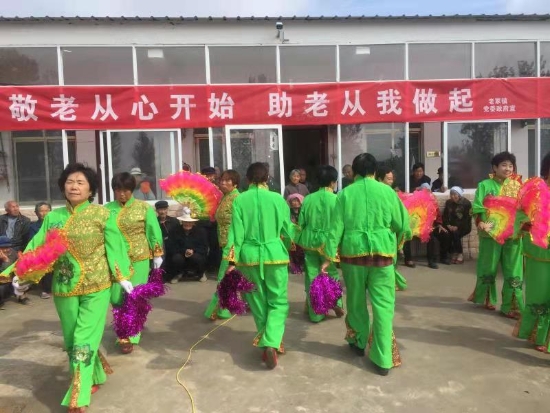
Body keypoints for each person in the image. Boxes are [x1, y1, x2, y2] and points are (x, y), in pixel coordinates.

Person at [0, 163, 133, 412]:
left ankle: (78, 395)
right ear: (63, 186)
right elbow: (36, 247)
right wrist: (19, 273)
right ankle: (95, 374)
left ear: (91, 189)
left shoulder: (102, 214)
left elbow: (115, 246)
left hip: (97, 286)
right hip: (64, 287)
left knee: (83, 339)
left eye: (80, 182)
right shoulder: (53, 217)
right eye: (70, 182)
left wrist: (122, 276)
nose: (74, 186)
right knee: (72, 340)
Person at [322, 153, 411, 376]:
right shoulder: (387, 192)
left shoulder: (345, 194)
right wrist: (396, 242)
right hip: (383, 255)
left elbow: (335, 228)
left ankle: (358, 342)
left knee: (356, 301)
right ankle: (383, 358)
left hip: (353, 255)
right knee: (384, 307)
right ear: (374, 171)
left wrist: (329, 256)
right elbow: (402, 225)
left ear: (354, 171)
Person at [223, 162, 294, 369]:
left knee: (256, 301)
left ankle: (267, 341)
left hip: (249, 257)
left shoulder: (240, 200)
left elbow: (235, 234)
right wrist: (290, 246)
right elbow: (287, 230)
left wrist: (231, 260)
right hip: (275, 255)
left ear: (247, 179)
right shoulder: (277, 199)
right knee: (278, 301)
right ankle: (272, 340)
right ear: (267, 178)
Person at [106, 172, 164, 354]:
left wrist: (157, 254)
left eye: (126, 190)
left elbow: (153, 231)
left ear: (132, 190)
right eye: (118, 190)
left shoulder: (143, 208)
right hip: (116, 259)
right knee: (116, 296)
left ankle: (129, 335)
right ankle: (123, 326)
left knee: (135, 295)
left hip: (139, 257)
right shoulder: (106, 210)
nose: (122, 194)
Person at [468, 151, 523, 319]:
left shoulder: (518, 186)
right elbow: (477, 207)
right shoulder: (485, 185)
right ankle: (487, 298)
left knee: (514, 271)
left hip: (513, 235)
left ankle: (511, 306)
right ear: (495, 167)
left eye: (511, 166)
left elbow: (524, 208)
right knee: (489, 268)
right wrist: (481, 222)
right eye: (504, 165)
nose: (508, 169)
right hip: (490, 234)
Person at [296, 165, 344, 322]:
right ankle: (336, 302)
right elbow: (340, 224)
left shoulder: (308, 199)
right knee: (332, 273)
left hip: (310, 240)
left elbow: (301, 223)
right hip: (329, 241)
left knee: (312, 275)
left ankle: (316, 313)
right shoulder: (337, 199)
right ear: (332, 182)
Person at [513, 152, 550, 354]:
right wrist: (533, 226)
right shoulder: (534, 191)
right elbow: (520, 215)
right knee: (538, 295)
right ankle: (537, 334)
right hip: (539, 254)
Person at [204, 169, 240, 320]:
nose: (223, 183)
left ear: (235, 183)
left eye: (227, 180)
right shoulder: (224, 197)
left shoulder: (237, 198)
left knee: (223, 276)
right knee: (231, 277)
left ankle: (218, 309)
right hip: (224, 242)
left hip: (233, 244)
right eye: (222, 180)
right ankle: (227, 306)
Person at [403, 183, 448, 269]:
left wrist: (439, 224)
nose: (427, 193)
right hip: (414, 227)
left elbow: (437, 214)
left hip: (426, 227)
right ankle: (408, 259)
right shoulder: (414, 201)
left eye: (428, 191)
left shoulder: (432, 202)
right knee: (406, 235)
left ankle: (431, 261)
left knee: (431, 237)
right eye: (425, 191)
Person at [376, 167, 407, 291]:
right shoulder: (389, 193)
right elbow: (398, 219)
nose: (391, 181)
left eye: (392, 179)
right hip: (386, 232)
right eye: (388, 179)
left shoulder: (389, 192)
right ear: (380, 178)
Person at [170, 208, 209, 283]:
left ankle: (201, 274)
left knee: (197, 258)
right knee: (176, 258)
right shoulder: (175, 231)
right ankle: (178, 274)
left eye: (190, 222)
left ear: (193, 222)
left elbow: (204, 247)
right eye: (185, 222)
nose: (187, 224)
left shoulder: (201, 231)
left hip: (196, 253)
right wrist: (184, 251)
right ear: (182, 221)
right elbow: (172, 246)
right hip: (181, 253)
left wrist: (193, 251)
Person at [441, 187, 472, 264]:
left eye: (455, 194)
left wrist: (457, 226)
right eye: (451, 194)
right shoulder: (448, 202)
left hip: (464, 226)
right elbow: (445, 216)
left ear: (459, 195)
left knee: (455, 233)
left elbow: (467, 219)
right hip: (451, 226)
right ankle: (453, 252)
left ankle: (459, 254)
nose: (452, 196)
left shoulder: (466, 203)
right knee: (445, 233)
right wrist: (448, 225)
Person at [199, 166, 221, 271]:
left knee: (215, 244)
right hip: (202, 221)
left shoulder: (218, 188)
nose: (210, 178)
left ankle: (213, 265)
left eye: (212, 175)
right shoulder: (198, 189)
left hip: (215, 221)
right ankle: (202, 266)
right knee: (203, 244)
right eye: (208, 176)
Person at [29, 202, 53, 299]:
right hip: (42, 252)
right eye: (41, 211)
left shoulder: (56, 223)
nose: (44, 213)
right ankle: (46, 290)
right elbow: (32, 242)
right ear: (36, 213)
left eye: (47, 210)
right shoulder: (33, 227)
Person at [155, 200, 180, 282]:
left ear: (167, 209)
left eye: (164, 209)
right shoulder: (154, 222)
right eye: (160, 210)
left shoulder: (174, 221)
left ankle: (177, 274)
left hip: (173, 247)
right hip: (159, 247)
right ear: (156, 210)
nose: (162, 212)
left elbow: (179, 235)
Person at [287, 193, 305, 275]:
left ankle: (301, 265)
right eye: (293, 201)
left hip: (301, 235)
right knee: (293, 251)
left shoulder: (303, 212)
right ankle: (294, 267)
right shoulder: (288, 212)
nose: (295, 202)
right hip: (292, 235)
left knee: (301, 251)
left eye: (297, 200)